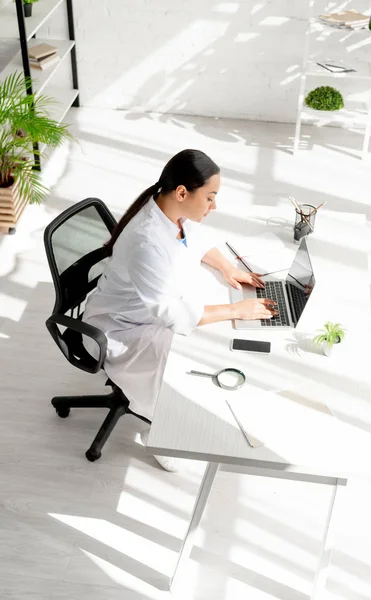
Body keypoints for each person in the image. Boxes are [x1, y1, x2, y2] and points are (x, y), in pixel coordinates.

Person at [83, 149, 277, 471]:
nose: (214, 206)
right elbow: (173, 315)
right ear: (183, 192)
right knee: (192, 358)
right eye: (210, 197)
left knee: (211, 326)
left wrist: (228, 269)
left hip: (146, 310)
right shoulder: (147, 242)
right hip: (118, 328)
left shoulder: (171, 209)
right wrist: (238, 311)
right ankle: (161, 430)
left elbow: (197, 239)